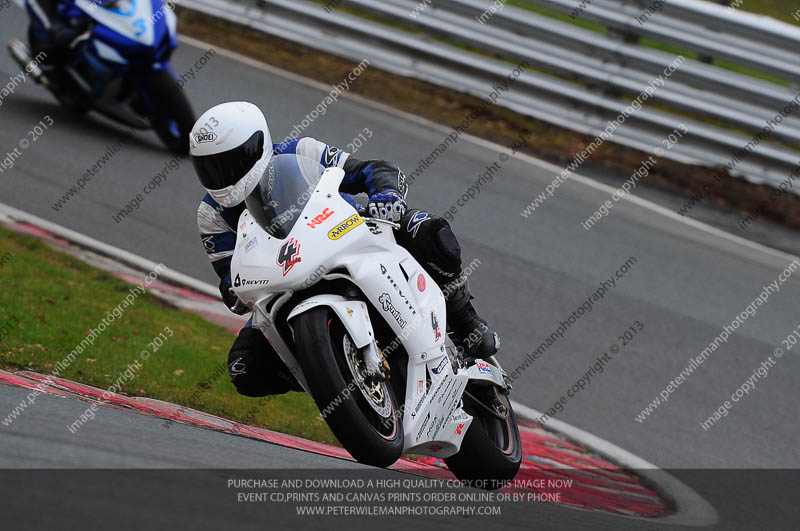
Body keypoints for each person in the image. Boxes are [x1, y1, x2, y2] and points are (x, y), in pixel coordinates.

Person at [191, 101, 499, 397]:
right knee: (245, 369)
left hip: (348, 236)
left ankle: (467, 322)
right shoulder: (211, 216)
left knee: (427, 230)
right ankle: (336, 377)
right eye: (210, 168)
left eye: (230, 163)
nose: (222, 176)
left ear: (256, 147)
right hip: (283, 282)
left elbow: (371, 169)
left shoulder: (302, 151)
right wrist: (235, 291)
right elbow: (230, 276)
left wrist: (386, 193)